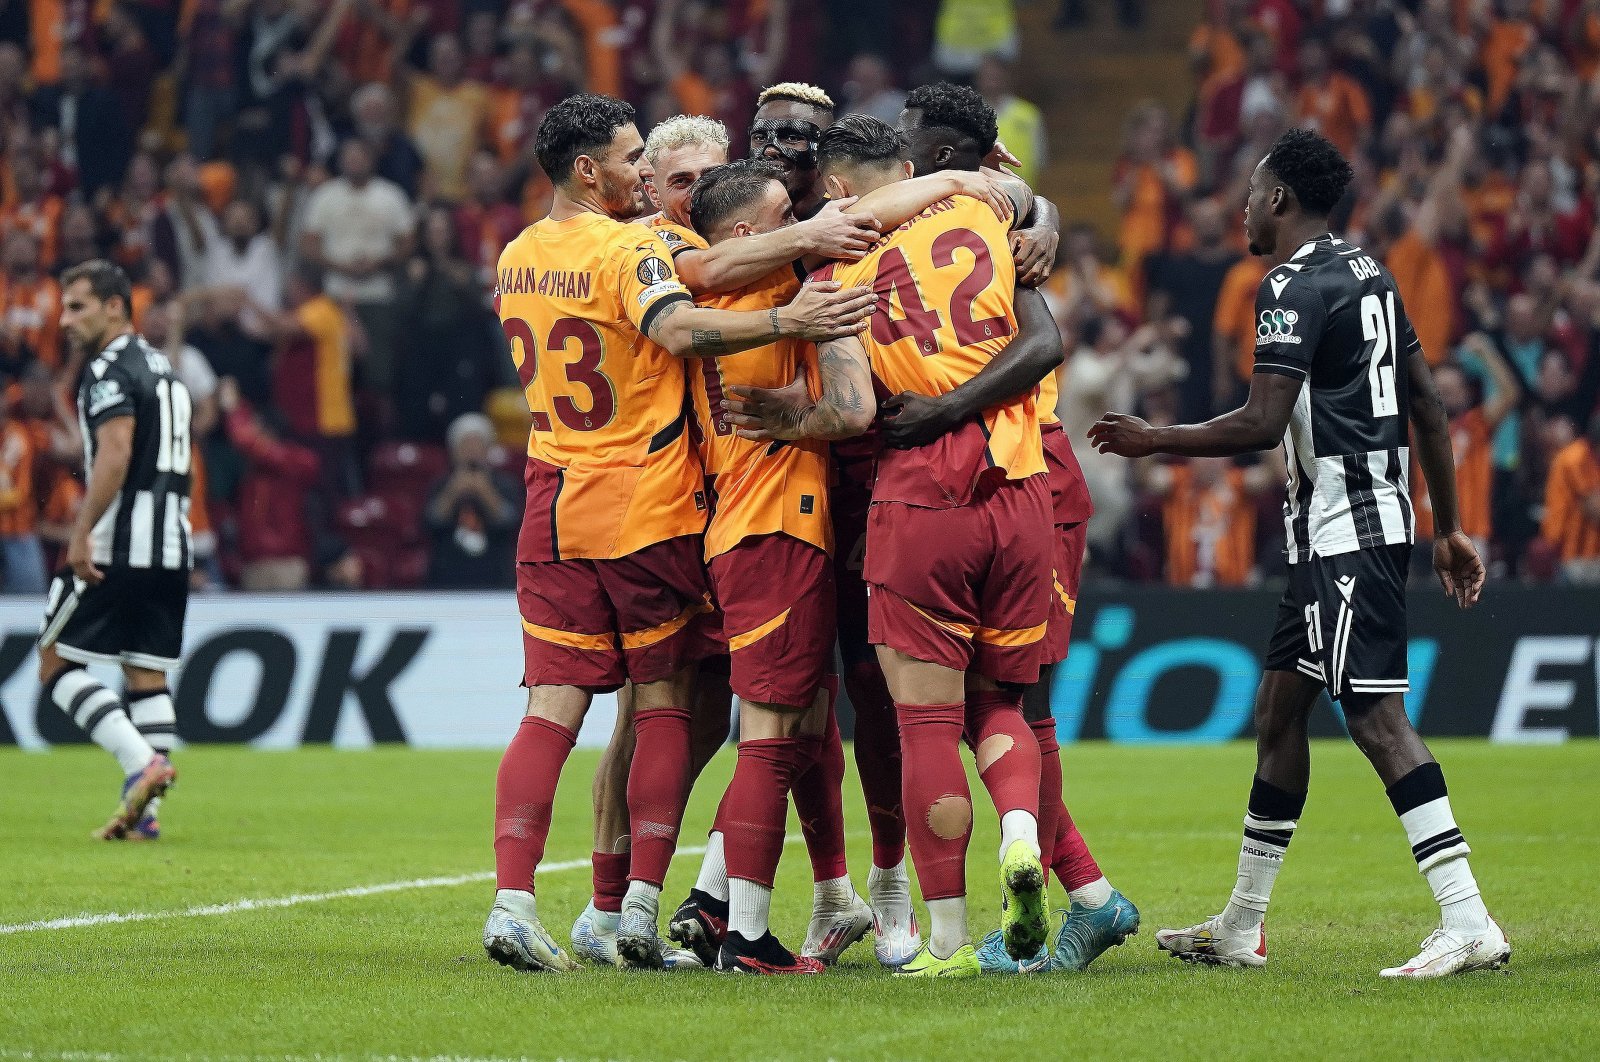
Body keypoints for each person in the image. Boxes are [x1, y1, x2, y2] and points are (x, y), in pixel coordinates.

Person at [1088, 129, 1509, 978]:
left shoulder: (1290, 283)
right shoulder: (1372, 276)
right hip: (1340, 525)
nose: (1242, 206)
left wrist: (1151, 438)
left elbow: (1261, 422)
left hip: (1346, 523)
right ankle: (1242, 923)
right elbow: (1425, 403)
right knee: (1280, 710)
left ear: (1279, 200)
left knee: (1375, 718)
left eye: (1251, 191)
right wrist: (1449, 525)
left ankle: (1469, 919)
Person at [482, 93, 876, 975]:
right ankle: (631, 907)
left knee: (560, 709)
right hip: (655, 502)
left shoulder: (518, 252)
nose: (663, 187)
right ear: (605, 174)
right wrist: (792, 313)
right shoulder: (637, 247)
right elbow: (684, 313)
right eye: (639, 164)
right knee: (663, 707)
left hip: (554, 494)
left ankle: (524, 901)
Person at [725, 115, 1053, 979]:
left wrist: (782, 418)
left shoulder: (839, 273)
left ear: (837, 194)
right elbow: (1032, 233)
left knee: (926, 722)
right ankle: (1022, 834)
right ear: (906, 170)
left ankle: (943, 940)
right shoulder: (989, 213)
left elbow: (851, 413)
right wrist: (1019, 198)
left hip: (920, 494)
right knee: (1005, 706)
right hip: (1021, 483)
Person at [892, 80, 1140, 974]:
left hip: (1025, 467)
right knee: (991, 710)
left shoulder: (977, 212)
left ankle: (1092, 902)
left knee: (1014, 708)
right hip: (1005, 473)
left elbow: (1041, 322)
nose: (902, 150)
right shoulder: (996, 210)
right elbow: (1030, 198)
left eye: (912, 140)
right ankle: (1087, 893)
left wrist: (1040, 213)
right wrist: (1042, 211)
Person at [38, 260, 193, 842]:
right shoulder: (165, 370)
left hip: (118, 542)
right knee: (146, 675)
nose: (65, 318)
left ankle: (141, 765)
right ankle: (145, 817)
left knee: (54, 661)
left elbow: (116, 451)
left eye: (77, 306)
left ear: (115, 308)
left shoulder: (107, 368)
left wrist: (80, 532)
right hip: (170, 545)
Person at [425, 413, 519, 590]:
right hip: (447, 574)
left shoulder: (505, 484)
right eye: (465, 445)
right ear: (453, 450)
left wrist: (486, 493)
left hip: (495, 573)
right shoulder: (440, 483)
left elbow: (511, 524)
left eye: (477, 445)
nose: (472, 451)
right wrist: (452, 493)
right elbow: (430, 522)